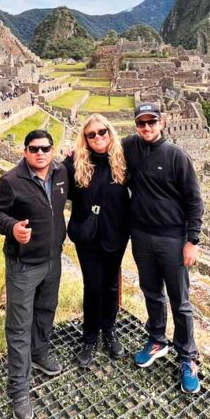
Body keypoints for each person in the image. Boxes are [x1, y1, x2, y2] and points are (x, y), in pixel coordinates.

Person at [0, 129, 68, 419]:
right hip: (23, 266)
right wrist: (12, 228)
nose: (40, 153)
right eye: (34, 149)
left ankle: (40, 351)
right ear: (25, 152)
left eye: (45, 148)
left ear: (52, 150)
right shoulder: (10, 181)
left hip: (52, 260)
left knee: (46, 310)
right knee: (19, 327)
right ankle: (19, 389)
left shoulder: (60, 174)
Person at [123, 101, 203, 394]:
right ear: (136, 126)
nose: (146, 127)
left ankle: (188, 357)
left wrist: (192, 241)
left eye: (151, 122)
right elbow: (101, 147)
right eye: (141, 123)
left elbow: (194, 200)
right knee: (151, 292)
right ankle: (157, 339)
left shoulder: (176, 156)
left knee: (180, 301)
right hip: (141, 236)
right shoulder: (130, 146)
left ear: (162, 122)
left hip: (172, 238)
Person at [64, 114, 130, 368]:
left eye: (102, 132)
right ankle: (89, 338)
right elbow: (55, 183)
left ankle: (109, 331)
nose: (98, 137)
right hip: (88, 237)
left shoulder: (123, 160)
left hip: (115, 234)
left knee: (111, 285)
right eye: (91, 135)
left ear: (110, 132)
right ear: (85, 139)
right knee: (92, 287)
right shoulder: (75, 163)